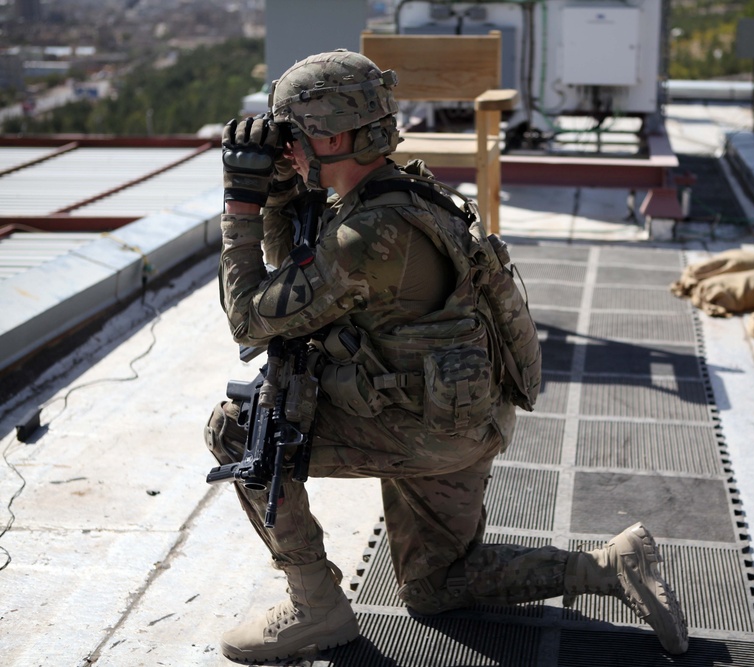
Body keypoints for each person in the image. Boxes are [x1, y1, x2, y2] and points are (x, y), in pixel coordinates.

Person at [204, 49, 689, 664]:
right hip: (463, 420)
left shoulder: (366, 238)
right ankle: (605, 567)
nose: (289, 150)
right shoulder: (404, 193)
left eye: (295, 137)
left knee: (238, 429)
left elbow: (251, 316)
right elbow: (296, 267)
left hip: (423, 431)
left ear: (339, 135)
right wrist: (279, 194)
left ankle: (315, 609)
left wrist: (240, 206)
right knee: (432, 590)